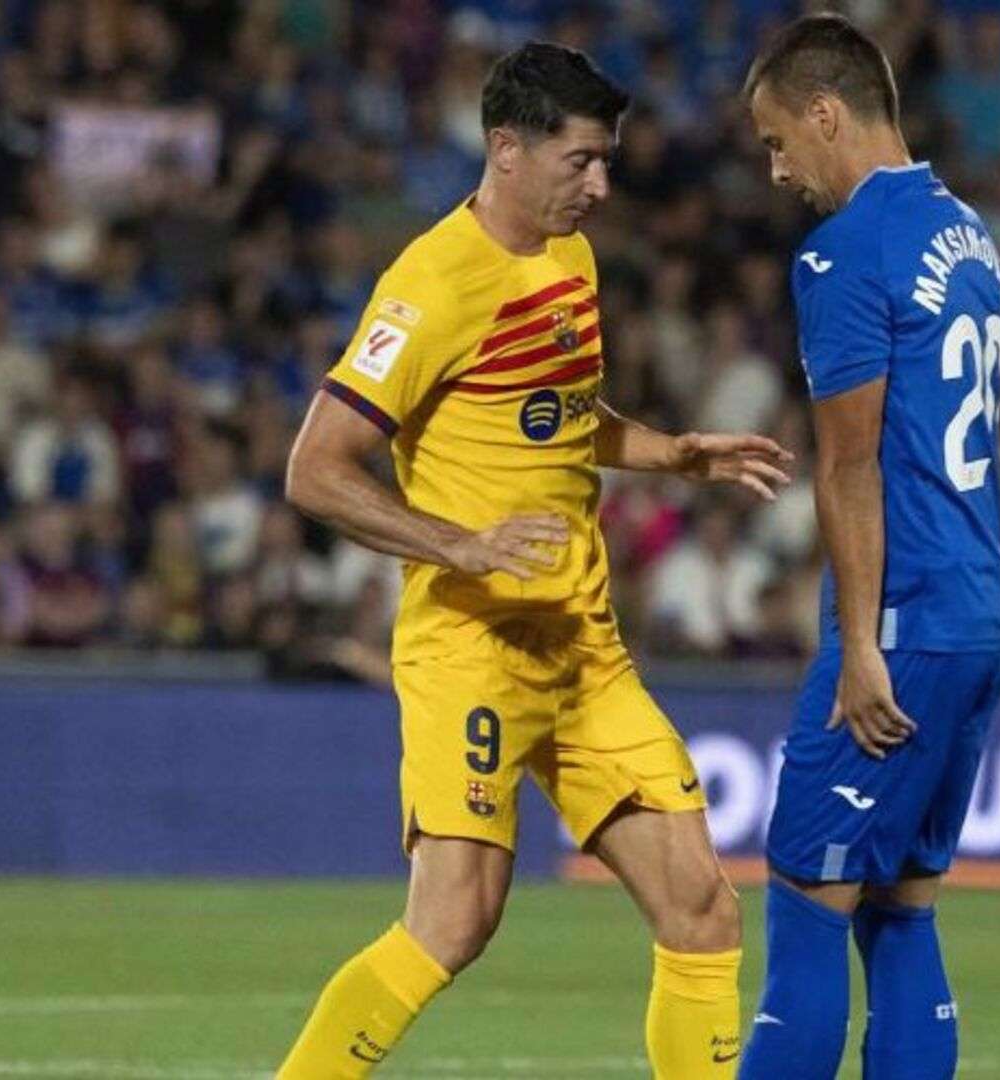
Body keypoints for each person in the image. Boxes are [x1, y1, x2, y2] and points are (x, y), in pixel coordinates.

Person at [275, 42, 793, 1078]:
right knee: (454, 921)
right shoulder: (429, 285)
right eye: (582, 162)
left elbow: (552, 413)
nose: (600, 186)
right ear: (506, 150)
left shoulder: (570, 258)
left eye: (607, 163)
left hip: (582, 647)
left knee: (701, 905)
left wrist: (666, 452)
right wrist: (458, 543)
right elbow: (315, 469)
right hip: (473, 643)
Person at [740, 15, 1000, 1079]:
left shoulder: (846, 248)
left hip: (901, 622)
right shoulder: (967, 230)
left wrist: (860, 647)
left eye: (777, 140)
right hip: (978, 614)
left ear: (827, 112)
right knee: (899, 906)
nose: (777, 171)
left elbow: (850, 465)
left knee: (808, 895)